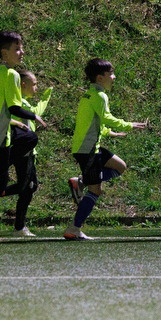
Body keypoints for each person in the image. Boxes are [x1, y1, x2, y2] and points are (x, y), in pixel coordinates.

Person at [0, 30, 46, 240]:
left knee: (1, 178)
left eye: (21, 48)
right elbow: (14, 107)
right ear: (4, 53)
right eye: (17, 49)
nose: (22, 52)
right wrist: (34, 117)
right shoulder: (11, 74)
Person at [64, 59, 148, 240]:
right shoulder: (99, 96)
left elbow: (94, 121)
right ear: (100, 78)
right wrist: (129, 125)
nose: (114, 77)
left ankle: (81, 182)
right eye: (111, 73)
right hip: (87, 149)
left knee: (120, 166)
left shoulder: (90, 94)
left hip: (89, 147)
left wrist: (111, 133)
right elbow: (107, 117)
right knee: (96, 190)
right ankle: (74, 228)